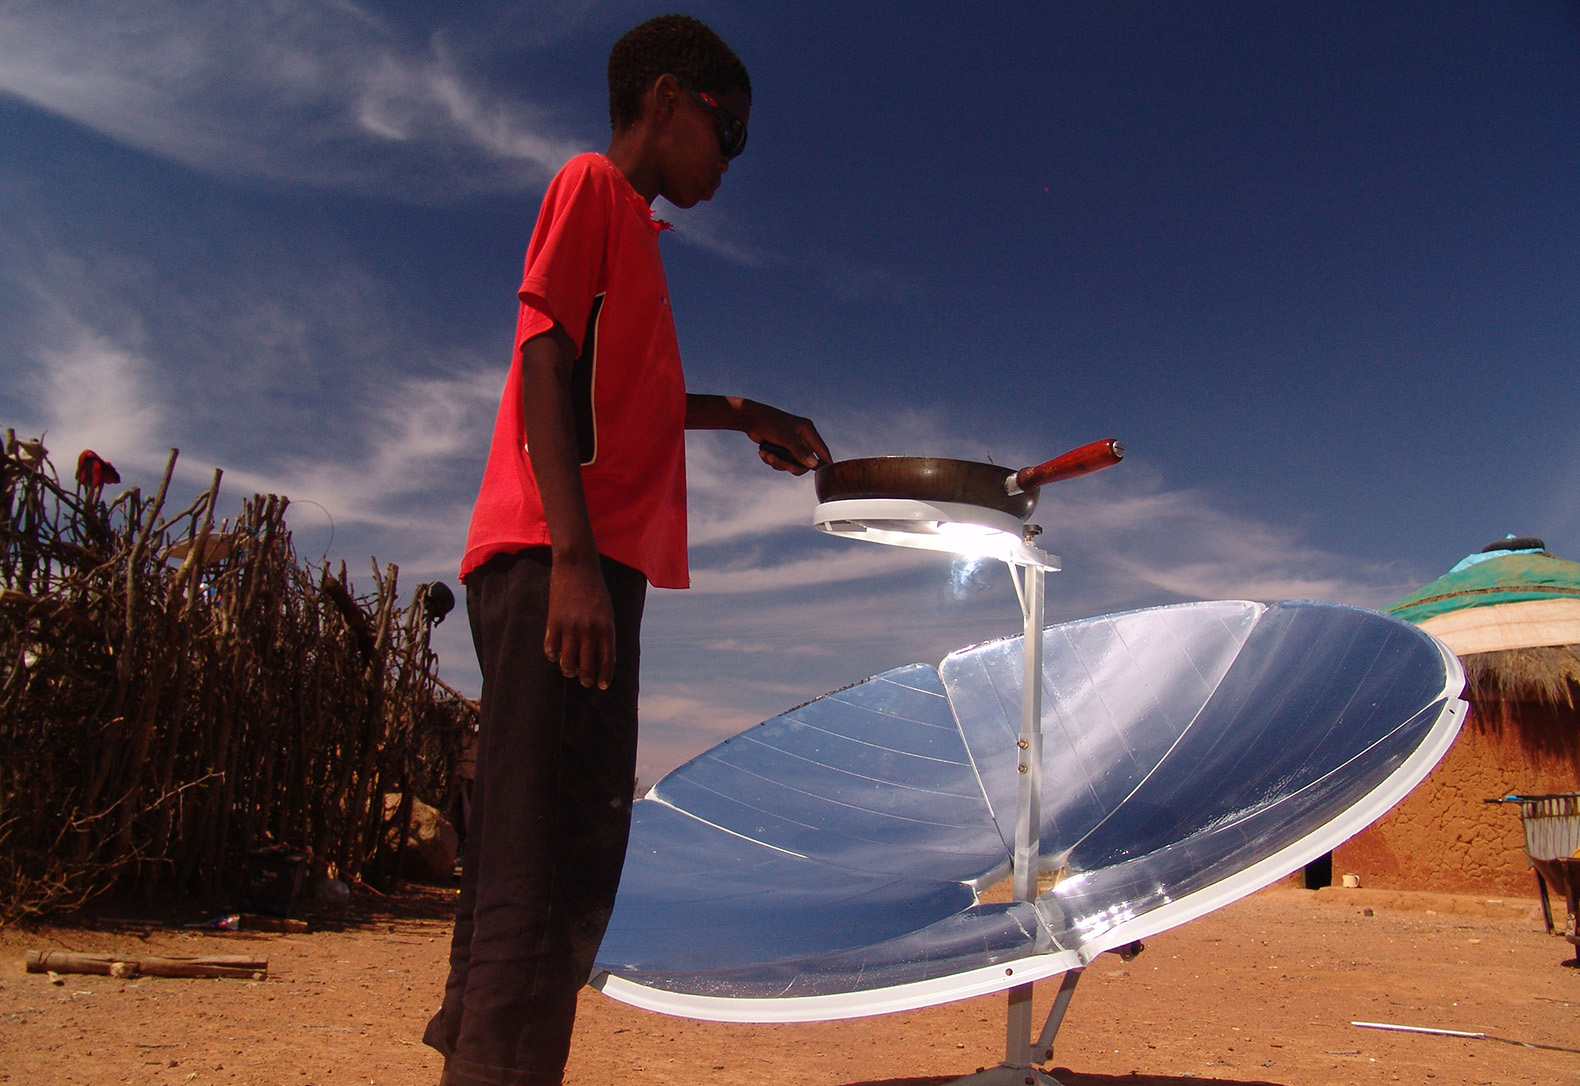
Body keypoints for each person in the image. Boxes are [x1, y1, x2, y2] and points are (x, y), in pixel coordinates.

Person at [423, 14, 831, 1086]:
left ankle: (484, 1047)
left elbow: (630, 396)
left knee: (565, 849)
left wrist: (745, 413)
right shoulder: (587, 188)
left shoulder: (635, 238)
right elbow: (544, 359)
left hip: (590, 565)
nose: (728, 162)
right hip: (555, 559)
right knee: (540, 857)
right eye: (725, 132)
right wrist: (567, 559)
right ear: (664, 100)